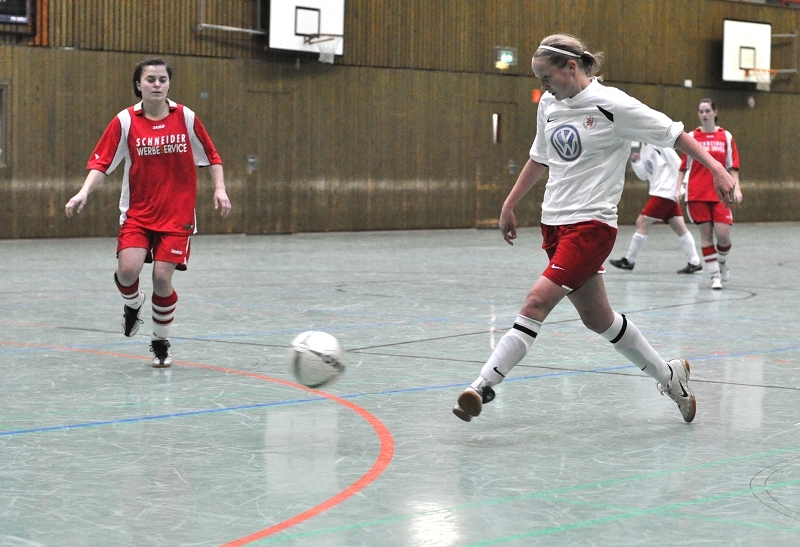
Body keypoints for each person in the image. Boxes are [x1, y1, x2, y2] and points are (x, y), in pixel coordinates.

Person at [452, 34, 737, 424]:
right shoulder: (550, 105)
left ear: (572, 67)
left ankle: (483, 385)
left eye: (547, 77)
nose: (543, 87)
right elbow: (540, 157)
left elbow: (674, 134)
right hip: (554, 225)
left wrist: (718, 168)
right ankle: (670, 377)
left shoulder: (612, 105)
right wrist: (510, 203)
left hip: (592, 227)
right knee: (598, 318)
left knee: (535, 303)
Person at [65, 57, 232, 367]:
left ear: (168, 84)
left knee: (160, 278)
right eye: (151, 79)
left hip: (176, 214)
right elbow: (102, 162)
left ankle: (160, 341)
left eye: (162, 79)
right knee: (127, 271)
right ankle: (132, 304)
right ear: (138, 85)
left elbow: (212, 156)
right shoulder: (126, 121)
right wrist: (83, 191)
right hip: (138, 213)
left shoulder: (185, 117)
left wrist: (219, 188)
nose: (157, 84)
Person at [676, 98, 742, 290]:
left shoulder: (726, 137)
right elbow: (683, 167)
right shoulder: (692, 136)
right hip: (697, 194)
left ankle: (721, 264)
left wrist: (736, 187)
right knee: (706, 236)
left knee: (723, 236)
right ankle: (714, 276)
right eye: (701, 111)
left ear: (714, 112)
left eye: (707, 111)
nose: (704, 114)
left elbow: (732, 166)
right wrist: (678, 188)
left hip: (720, 194)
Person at [608, 142, 702, 273]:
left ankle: (629, 261)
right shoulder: (645, 149)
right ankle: (695, 262)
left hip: (665, 193)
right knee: (679, 227)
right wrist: (636, 162)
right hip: (660, 192)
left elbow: (679, 164)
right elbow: (644, 175)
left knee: (642, 222)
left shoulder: (662, 145)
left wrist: (682, 188)